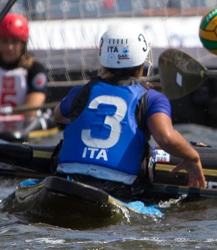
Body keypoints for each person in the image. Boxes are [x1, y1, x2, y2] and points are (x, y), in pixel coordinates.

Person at [52, 25, 205, 200]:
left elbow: (58, 115)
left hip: (66, 177)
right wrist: (193, 157)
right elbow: (166, 138)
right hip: (118, 187)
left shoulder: (80, 92)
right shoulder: (152, 98)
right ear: (142, 59)